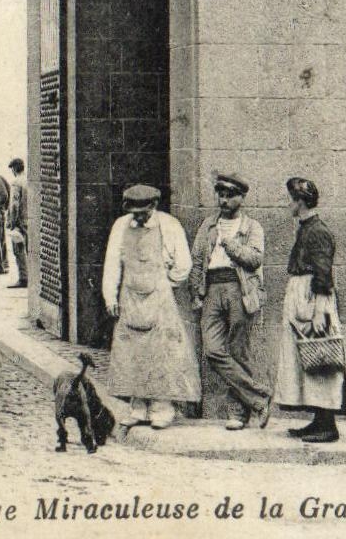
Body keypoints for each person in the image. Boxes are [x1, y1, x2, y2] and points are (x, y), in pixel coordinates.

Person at [101, 183, 201, 428]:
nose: (138, 217)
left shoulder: (169, 225)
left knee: (162, 353)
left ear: (154, 205)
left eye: (143, 212)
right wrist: (110, 297)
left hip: (159, 300)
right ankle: (138, 407)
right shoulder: (121, 226)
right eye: (134, 213)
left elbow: (184, 263)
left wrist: (166, 284)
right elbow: (112, 262)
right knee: (132, 354)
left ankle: (162, 408)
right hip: (130, 299)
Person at [190, 172, 271, 431]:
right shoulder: (208, 225)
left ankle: (238, 413)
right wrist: (197, 293)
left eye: (229, 196)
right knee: (212, 350)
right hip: (212, 288)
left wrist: (230, 245)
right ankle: (259, 397)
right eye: (220, 195)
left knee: (238, 350)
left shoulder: (252, 227)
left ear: (241, 198)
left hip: (240, 288)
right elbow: (197, 260)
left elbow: (254, 259)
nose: (223, 200)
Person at [273, 177, 346, 444]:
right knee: (306, 360)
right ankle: (319, 421)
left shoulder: (318, 231)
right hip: (302, 295)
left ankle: (328, 426)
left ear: (300, 202)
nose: (288, 205)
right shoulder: (306, 228)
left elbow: (323, 274)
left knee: (320, 359)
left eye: (291, 200)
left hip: (313, 297)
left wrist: (319, 313)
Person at [7, 157, 28, 288]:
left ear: (14, 169)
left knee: (19, 250)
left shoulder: (16, 182)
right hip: (30, 220)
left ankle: (24, 278)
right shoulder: (28, 180)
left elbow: (14, 205)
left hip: (20, 222)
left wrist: (12, 222)